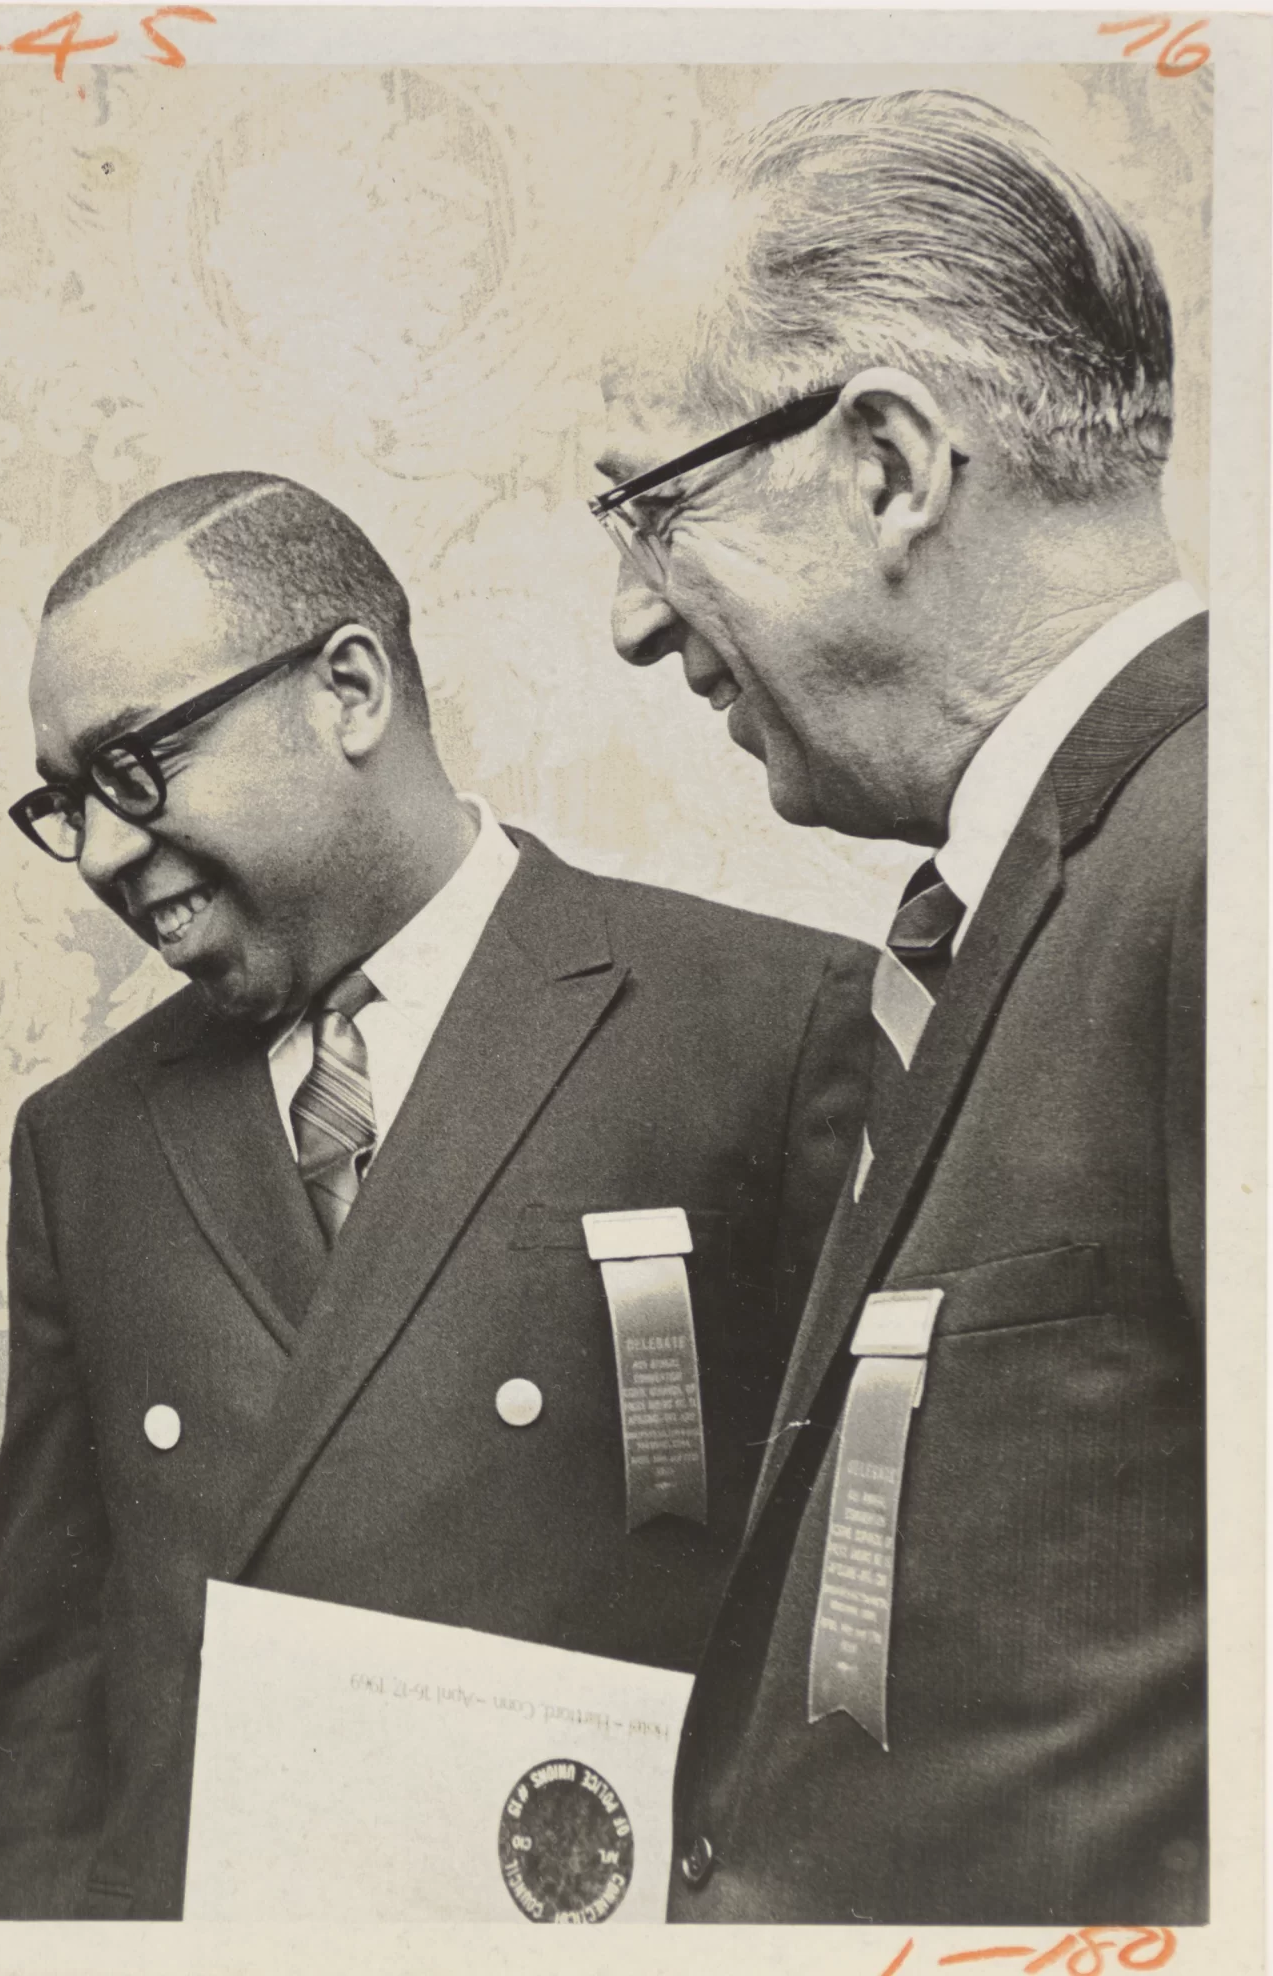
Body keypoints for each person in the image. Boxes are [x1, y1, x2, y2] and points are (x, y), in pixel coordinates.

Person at [0, 471, 874, 1918]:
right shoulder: (84, 1144)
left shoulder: (762, 1031)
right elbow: (52, 1694)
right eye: (64, 802)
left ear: (347, 688)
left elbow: (852, 1636)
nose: (101, 853)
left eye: (135, 769)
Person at [595, 91, 1205, 1924]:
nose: (630, 621)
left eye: (652, 512)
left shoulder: (1216, 862)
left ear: (886, 465)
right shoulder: (1033, 895)